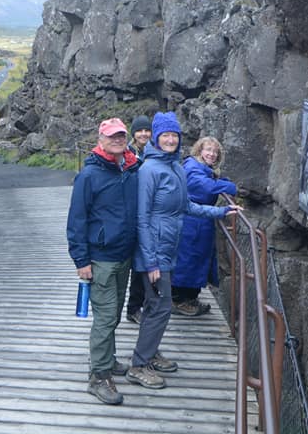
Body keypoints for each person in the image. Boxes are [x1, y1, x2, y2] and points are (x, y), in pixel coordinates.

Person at [127, 112, 240, 391]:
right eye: (165, 135)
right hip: (153, 253)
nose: (169, 139)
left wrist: (221, 210)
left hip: (168, 249)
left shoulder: (176, 167)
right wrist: (150, 262)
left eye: (174, 135)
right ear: (155, 137)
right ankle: (139, 365)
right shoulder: (149, 170)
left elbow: (186, 206)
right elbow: (141, 218)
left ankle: (149, 352)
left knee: (158, 307)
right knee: (160, 306)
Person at [66, 118, 140, 405]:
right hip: (100, 258)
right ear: (100, 139)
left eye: (121, 136)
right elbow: (76, 221)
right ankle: (98, 377)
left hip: (123, 255)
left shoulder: (130, 168)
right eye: (112, 137)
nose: (118, 140)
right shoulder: (89, 175)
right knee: (106, 318)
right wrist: (81, 260)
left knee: (114, 314)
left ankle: (107, 360)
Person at [171, 137, 238, 316]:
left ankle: (189, 298)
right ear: (199, 150)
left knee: (195, 259)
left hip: (199, 221)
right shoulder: (193, 168)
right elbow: (206, 187)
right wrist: (230, 186)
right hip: (192, 221)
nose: (212, 154)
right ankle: (178, 300)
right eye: (208, 150)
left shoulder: (200, 168)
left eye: (215, 152)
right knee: (188, 260)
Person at [124, 114, 153, 324]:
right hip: (133, 213)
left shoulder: (154, 152)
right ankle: (133, 308)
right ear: (133, 133)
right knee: (136, 264)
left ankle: (139, 305)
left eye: (146, 130)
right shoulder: (128, 153)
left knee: (143, 262)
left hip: (148, 213)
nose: (143, 134)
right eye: (140, 130)